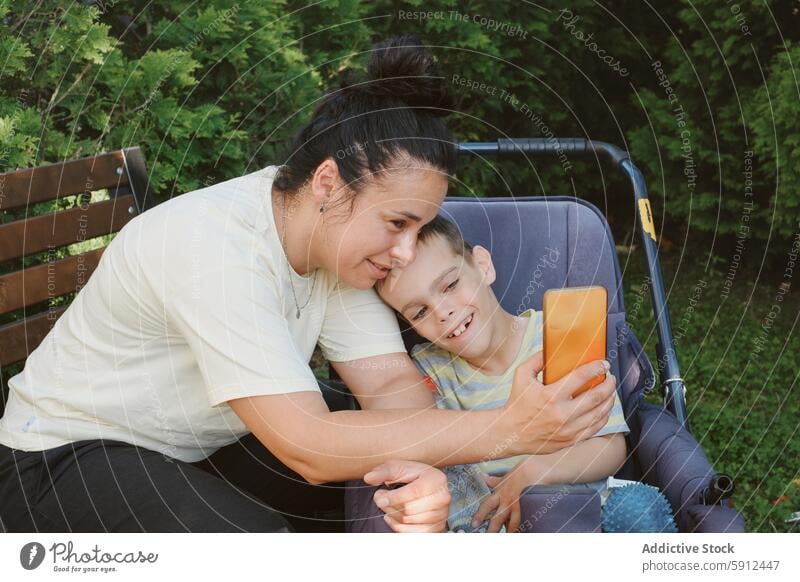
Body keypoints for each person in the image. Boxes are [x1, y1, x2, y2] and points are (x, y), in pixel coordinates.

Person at [0, 36, 619, 533]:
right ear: (328, 184)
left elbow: (391, 389)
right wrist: (507, 430)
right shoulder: (214, 248)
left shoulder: (340, 251)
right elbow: (309, 444)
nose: (404, 253)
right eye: (397, 223)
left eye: (422, 228)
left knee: (357, 501)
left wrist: (432, 479)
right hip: (64, 453)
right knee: (260, 545)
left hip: (191, 441)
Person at [371, 215, 630, 532]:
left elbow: (611, 446)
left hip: (572, 517)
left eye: (451, 285)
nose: (443, 312)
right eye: (420, 312)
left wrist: (538, 470)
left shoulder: (558, 338)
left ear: (482, 265)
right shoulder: (429, 375)